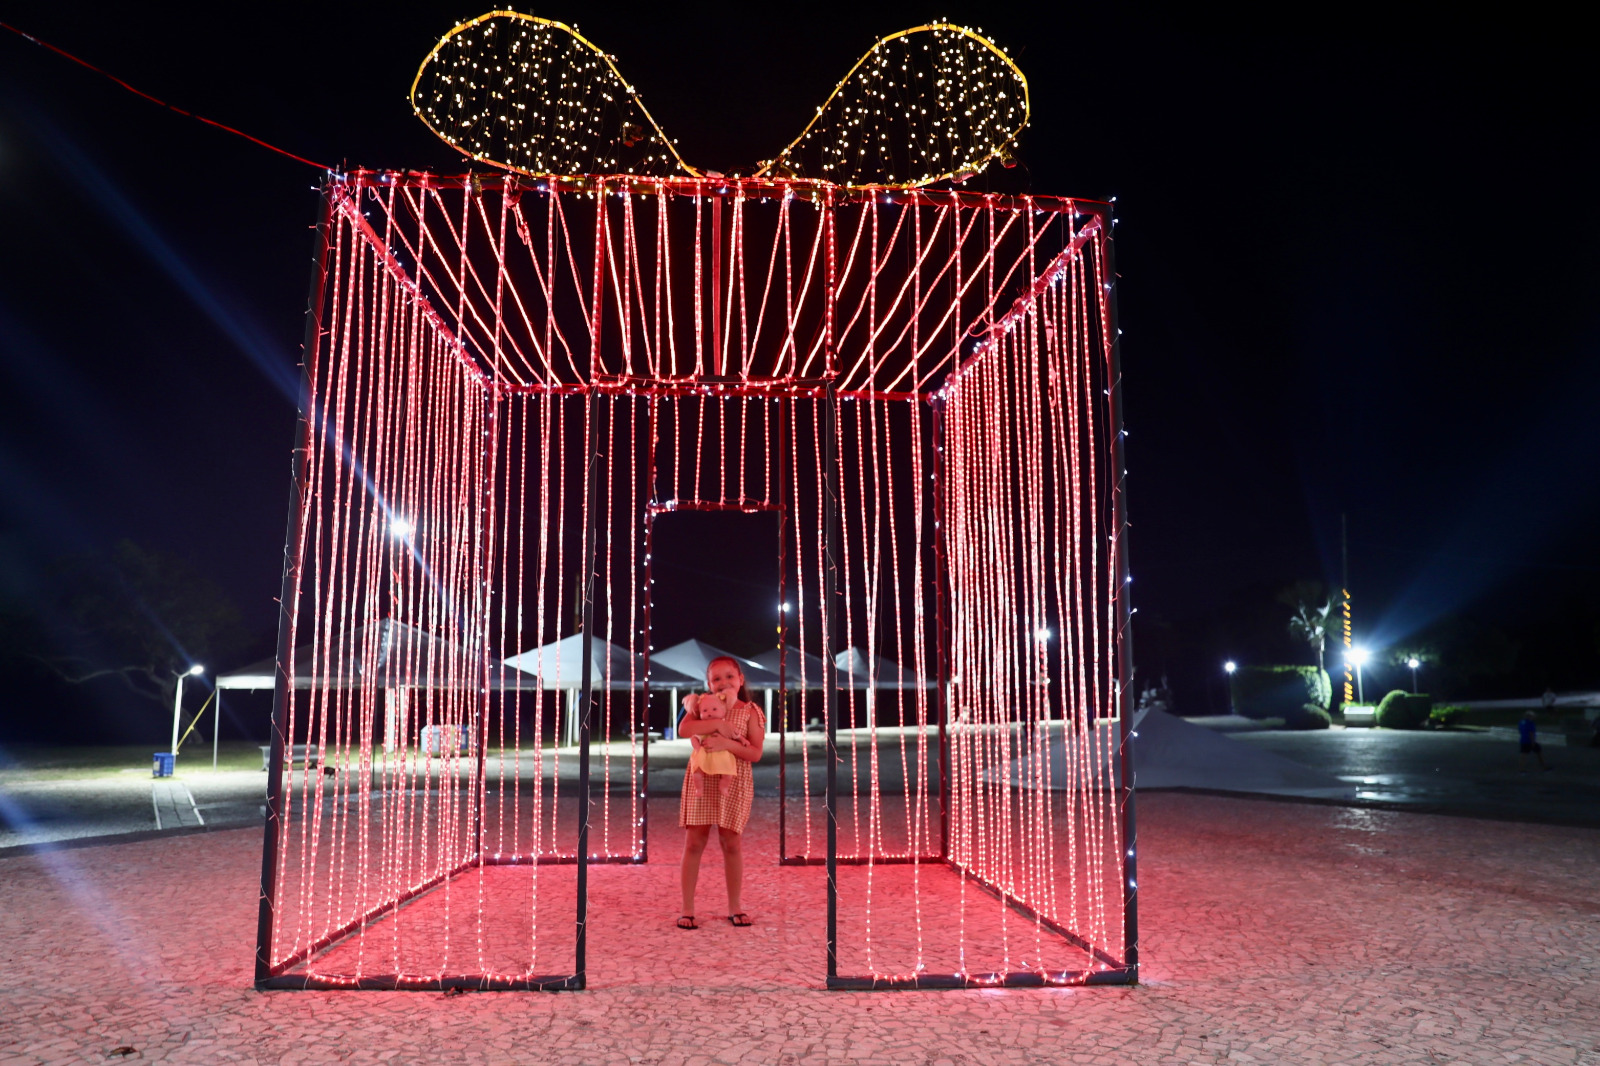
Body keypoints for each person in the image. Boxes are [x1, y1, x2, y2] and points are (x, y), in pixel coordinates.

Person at [675, 655, 764, 930]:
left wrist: (727, 742)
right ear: (709, 684)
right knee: (694, 844)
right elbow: (684, 729)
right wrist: (716, 724)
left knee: (732, 844)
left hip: (733, 782)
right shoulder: (702, 705)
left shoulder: (750, 711)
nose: (723, 683)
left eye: (729, 677)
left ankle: (735, 906)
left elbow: (755, 752)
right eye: (716, 679)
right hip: (701, 780)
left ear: (741, 680)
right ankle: (687, 908)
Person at [1518, 709, 1551, 773]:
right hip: (1530, 741)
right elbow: (1531, 733)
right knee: (1539, 753)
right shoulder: (1531, 723)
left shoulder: (1521, 722)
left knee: (1523, 756)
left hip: (1523, 740)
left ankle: (1521, 769)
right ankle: (1544, 767)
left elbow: (1520, 731)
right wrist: (1533, 742)